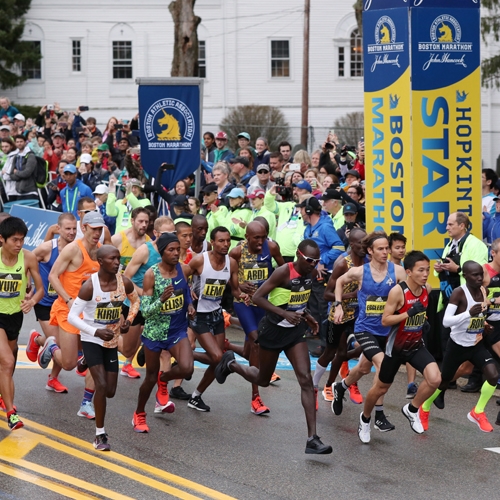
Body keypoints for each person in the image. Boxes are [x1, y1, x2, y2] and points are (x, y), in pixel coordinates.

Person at [215, 239, 332, 454]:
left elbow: (297, 300)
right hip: (272, 331)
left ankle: (312, 439)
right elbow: (258, 298)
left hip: (295, 333)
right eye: (309, 260)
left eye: (316, 261)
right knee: (262, 380)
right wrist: (283, 313)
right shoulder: (282, 272)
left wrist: (307, 316)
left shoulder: (311, 274)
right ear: (298, 254)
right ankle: (231, 363)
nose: (313, 264)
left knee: (305, 379)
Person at [357, 251, 441, 443]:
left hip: (416, 345)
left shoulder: (426, 288)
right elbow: (386, 320)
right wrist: (408, 314)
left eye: (427, 270)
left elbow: (421, 313)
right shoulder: (398, 291)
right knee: (380, 388)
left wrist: (423, 320)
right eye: (421, 270)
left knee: (435, 379)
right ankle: (365, 418)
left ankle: (411, 409)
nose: (425, 274)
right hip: (395, 348)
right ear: (409, 272)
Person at [332, 231, 407, 431]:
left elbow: (408, 296)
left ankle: (341, 386)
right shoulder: (360, 272)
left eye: (387, 249)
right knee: (383, 366)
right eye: (380, 249)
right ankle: (379, 414)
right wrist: (339, 305)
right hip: (365, 329)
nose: (385, 252)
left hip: (387, 330)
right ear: (370, 251)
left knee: (364, 369)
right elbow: (339, 282)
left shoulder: (398, 272)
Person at [68, 245, 140, 450]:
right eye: (112, 259)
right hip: (91, 339)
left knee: (110, 391)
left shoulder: (123, 282)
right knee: (100, 385)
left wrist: (128, 321)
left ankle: (84, 362)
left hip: (111, 342)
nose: (118, 262)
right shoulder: (90, 286)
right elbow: (72, 317)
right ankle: (100, 435)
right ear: (100, 262)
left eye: (118, 258)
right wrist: (95, 331)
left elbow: (136, 302)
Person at [40, 211, 107, 420]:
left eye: (100, 229)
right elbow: (52, 276)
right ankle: (50, 344)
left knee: (96, 360)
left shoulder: (100, 252)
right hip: (67, 310)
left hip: (90, 315)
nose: (97, 233)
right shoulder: (72, 249)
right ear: (84, 228)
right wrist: (69, 300)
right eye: (93, 229)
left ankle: (86, 403)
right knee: (69, 364)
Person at [421, 261, 498, 433]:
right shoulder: (459, 293)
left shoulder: (483, 290)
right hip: (457, 345)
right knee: (443, 382)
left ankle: (478, 412)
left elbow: (478, 314)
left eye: (481, 274)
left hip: (476, 344)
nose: (479, 278)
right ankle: (424, 408)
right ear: (465, 276)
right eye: (475, 275)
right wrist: (467, 313)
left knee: (493, 375)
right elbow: (446, 321)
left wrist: (483, 324)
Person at [132, 233, 195, 432]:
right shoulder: (152, 274)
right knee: (149, 378)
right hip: (155, 332)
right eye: (171, 250)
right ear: (161, 252)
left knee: (187, 367)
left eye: (178, 249)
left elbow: (186, 291)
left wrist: (190, 305)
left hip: (176, 330)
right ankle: (139, 414)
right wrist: (161, 300)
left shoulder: (183, 269)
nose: (176, 253)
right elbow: (145, 311)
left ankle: (164, 378)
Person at [185, 226, 246, 412]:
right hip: (198, 314)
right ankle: (181, 355)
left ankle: (195, 397)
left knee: (216, 361)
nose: (226, 244)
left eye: (228, 241)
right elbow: (180, 277)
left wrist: (243, 294)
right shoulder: (199, 260)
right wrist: (188, 294)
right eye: (221, 241)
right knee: (218, 356)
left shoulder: (232, 263)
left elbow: (235, 290)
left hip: (216, 313)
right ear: (212, 242)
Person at [229, 221, 285, 415]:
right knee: (256, 342)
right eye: (256, 238)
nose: (261, 241)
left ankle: (226, 347)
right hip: (244, 304)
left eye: (263, 236)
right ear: (247, 238)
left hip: (263, 304)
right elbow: (226, 272)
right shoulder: (237, 252)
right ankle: (255, 396)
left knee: (249, 349)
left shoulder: (271, 247)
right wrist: (238, 286)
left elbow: (283, 268)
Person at [434, 212, 488, 391]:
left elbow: (479, 272)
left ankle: (474, 379)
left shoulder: (476, 245)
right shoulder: (450, 244)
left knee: (473, 337)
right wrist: (439, 268)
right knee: (448, 338)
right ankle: (448, 379)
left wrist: (456, 269)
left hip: (469, 299)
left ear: (462, 225)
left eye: (450, 224)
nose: (447, 227)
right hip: (450, 297)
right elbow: (444, 268)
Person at [0, 217, 44, 430]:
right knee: (7, 362)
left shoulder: (28, 258)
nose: (19, 244)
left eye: (22, 240)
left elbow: (40, 288)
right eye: (14, 240)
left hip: (15, 316)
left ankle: (3, 395)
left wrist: (31, 301)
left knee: (8, 367)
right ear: (2, 239)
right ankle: (11, 413)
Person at [314, 229, 366, 405]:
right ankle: (318, 386)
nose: (365, 246)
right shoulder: (343, 264)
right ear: (352, 244)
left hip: (359, 315)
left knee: (364, 347)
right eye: (361, 243)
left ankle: (343, 383)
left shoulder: (369, 262)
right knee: (332, 352)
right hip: (340, 315)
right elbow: (327, 294)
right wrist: (349, 296)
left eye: (367, 242)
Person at [28, 213, 78, 394]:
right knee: (59, 345)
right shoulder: (48, 248)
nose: (72, 232)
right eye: (68, 228)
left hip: (64, 303)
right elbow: (28, 259)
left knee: (67, 347)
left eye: (74, 228)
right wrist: (29, 283)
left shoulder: (76, 249)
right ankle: (38, 339)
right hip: (45, 303)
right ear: (59, 229)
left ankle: (52, 378)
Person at [298, 196, 344, 351]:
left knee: (324, 308)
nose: (301, 212)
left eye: (302, 209)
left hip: (325, 276)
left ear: (309, 210)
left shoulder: (325, 227)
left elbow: (339, 247)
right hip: (311, 276)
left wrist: (322, 260)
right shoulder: (308, 228)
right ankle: (316, 335)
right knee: (314, 306)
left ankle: (327, 344)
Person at [111, 207, 150, 378]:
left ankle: (127, 364)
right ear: (132, 220)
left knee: (139, 330)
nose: (144, 225)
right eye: (140, 221)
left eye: (147, 222)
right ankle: (92, 350)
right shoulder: (119, 239)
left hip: (137, 294)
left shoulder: (148, 243)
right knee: (115, 329)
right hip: (116, 289)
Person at [387, 231, 418, 399]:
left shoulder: (409, 267)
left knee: (411, 345)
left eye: (403, 247)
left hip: (408, 315)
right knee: (370, 361)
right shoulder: (386, 268)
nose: (401, 250)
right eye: (397, 247)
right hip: (388, 317)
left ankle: (411, 385)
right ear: (390, 249)